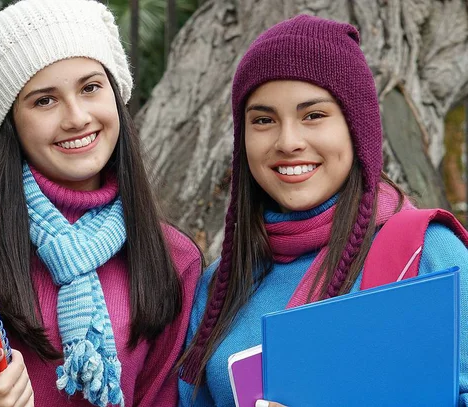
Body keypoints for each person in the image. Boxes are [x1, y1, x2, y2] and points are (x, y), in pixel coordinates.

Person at [0, 0, 201, 406]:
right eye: (44, 100)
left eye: (91, 88)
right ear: (12, 124)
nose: (77, 117)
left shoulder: (170, 256)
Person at [177, 14, 468, 407]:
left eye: (313, 115)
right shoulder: (220, 286)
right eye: (263, 120)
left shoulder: (430, 254)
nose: (288, 141)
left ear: (356, 128)